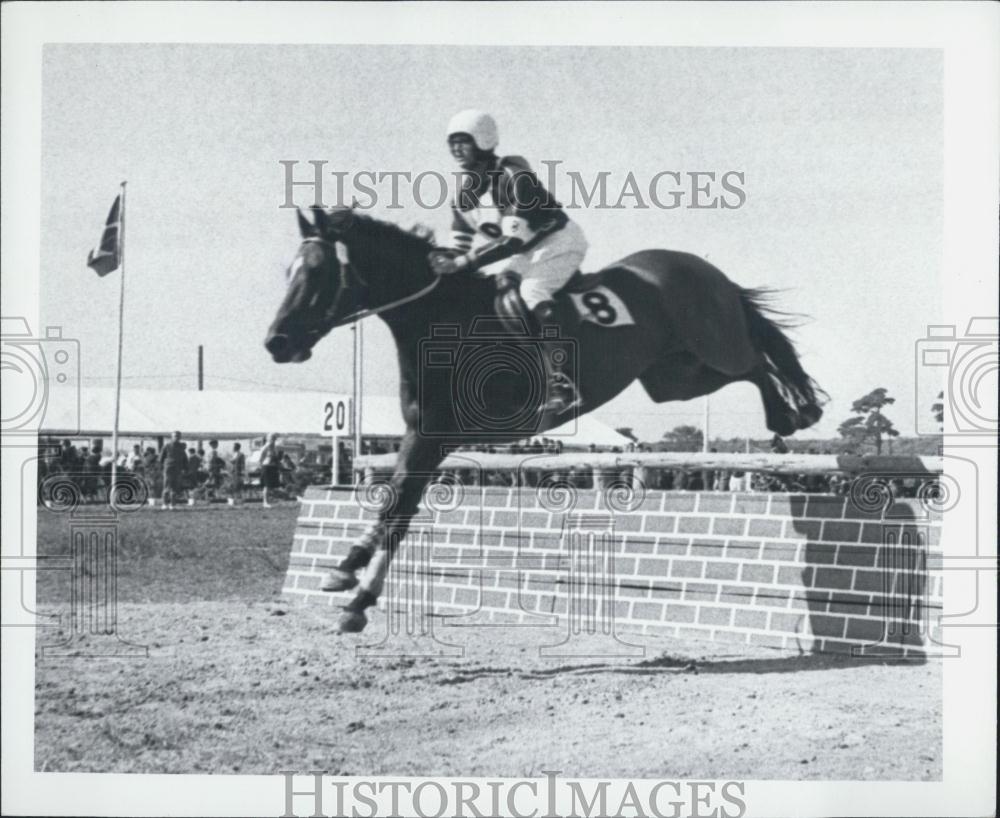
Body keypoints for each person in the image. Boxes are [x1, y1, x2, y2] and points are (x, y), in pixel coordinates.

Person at [427, 109, 588, 414]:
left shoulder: (513, 177)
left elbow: (511, 241)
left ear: (483, 141)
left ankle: (561, 382)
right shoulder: (463, 197)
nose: (456, 149)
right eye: (452, 143)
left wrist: (461, 263)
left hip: (559, 241)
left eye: (463, 141)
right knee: (495, 291)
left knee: (531, 293)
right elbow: (458, 245)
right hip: (524, 250)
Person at [159, 431, 187, 509]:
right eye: (175, 436)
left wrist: (185, 468)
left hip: (178, 468)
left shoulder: (181, 447)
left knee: (175, 487)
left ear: (180, 437)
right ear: (172, 437)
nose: (176, 437)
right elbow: (161, 458)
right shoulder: (166, 446)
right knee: (166, 486)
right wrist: (162, 467)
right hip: (168, 468)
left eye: (178, 436)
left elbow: (184, 458)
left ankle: (173, 504)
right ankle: (164, 504)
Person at [260, 433, 281, 508]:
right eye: (273, 438)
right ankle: (265, 502)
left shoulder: (274, 447)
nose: (274, 440)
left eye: (274, 438)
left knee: (271, 485)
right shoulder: (267, 446)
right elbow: (261, 455)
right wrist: (261, 463)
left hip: (272, 467)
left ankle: (269, 500)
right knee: (267, 485)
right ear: (269, 439)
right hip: (266, 467)